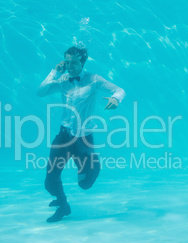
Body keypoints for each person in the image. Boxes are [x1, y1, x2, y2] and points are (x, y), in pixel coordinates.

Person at [37, 44, 126, 222]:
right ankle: (63, 206)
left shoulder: (93, 79)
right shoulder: (62, 80)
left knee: (85, 184)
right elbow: (41, 92)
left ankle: (95, 166)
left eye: (74, 63)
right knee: (50, 179)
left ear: (82, 62)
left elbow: (119, 90)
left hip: (83, 138)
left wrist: (116, 99)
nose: (70, 66)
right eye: (67, 62)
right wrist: (55, 72)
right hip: (64, 135)